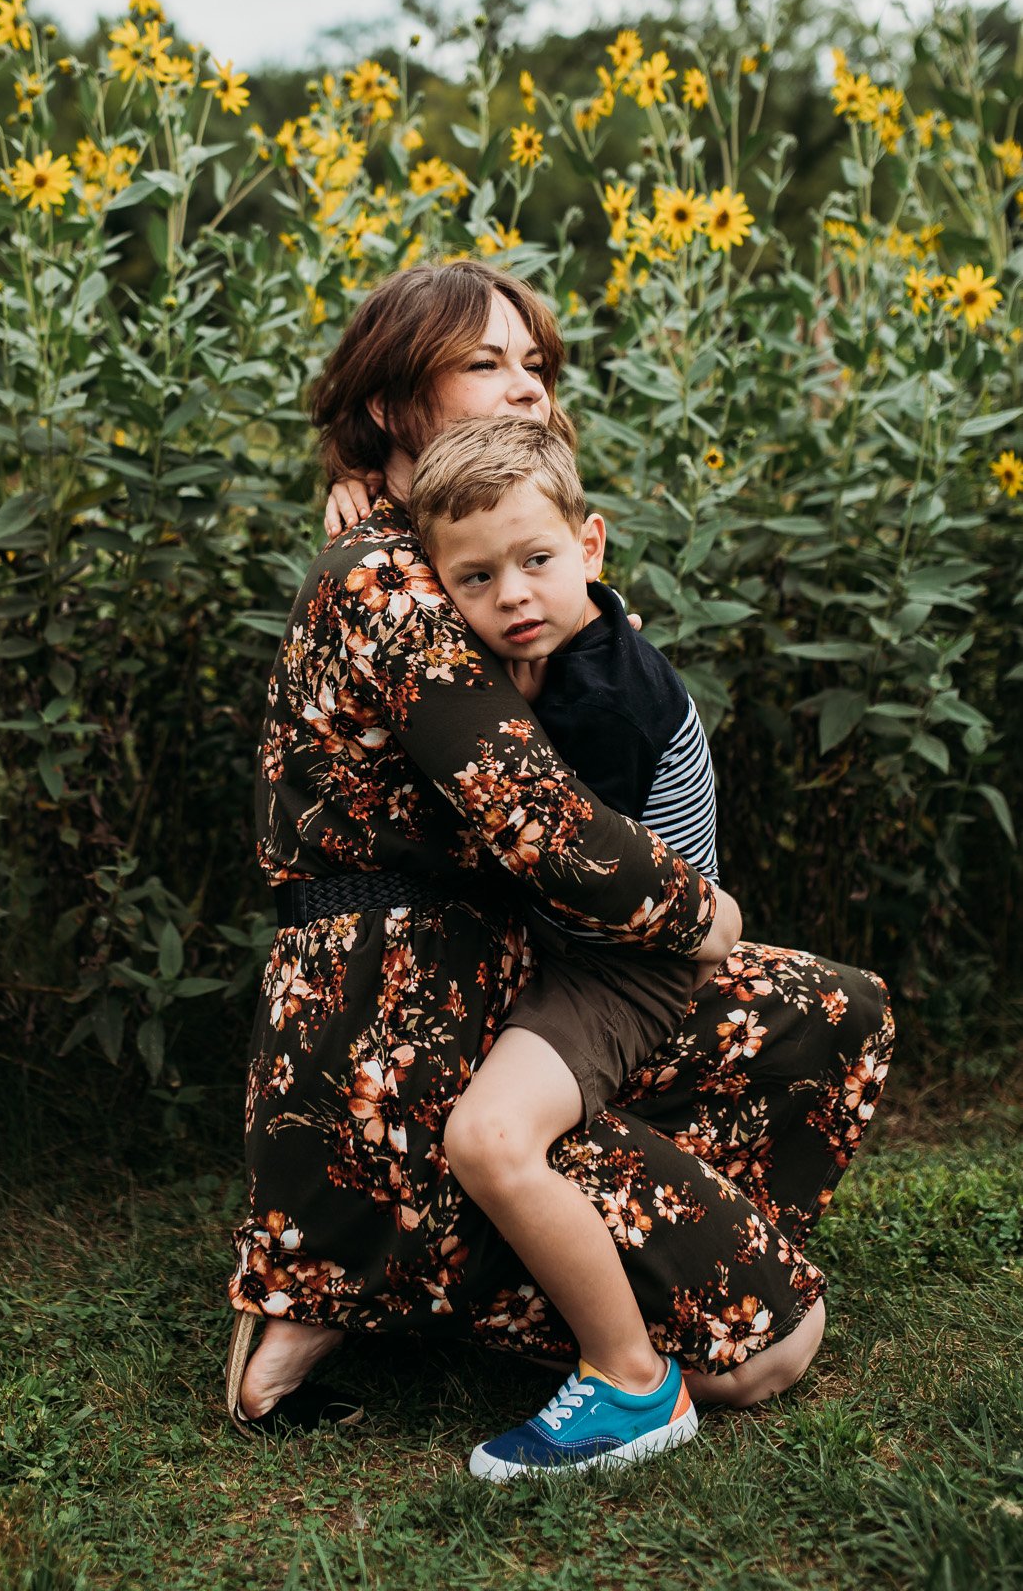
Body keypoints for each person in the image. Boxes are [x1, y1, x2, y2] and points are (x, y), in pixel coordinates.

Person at [226, 259, 894, 1479]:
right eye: (487, 361)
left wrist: (364, 481)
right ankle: (586, 1327)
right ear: (388, 402)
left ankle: (402, 1265)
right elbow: (549, 827)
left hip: (523, 964)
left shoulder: (444, 542)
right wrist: (709, 910)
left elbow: (580, 650)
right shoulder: (386, 576)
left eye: (534, 363)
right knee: (766, 1343)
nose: (526, 387)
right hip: (414, 1009)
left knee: (830, 1005)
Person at [406, 411, 730, 1477]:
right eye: (475, 577)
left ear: (589, 545)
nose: (511, 595)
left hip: (630, 961)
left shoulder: (606, 697)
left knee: (490, 1137)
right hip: (579, 939)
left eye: (537, 560)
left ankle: (632, 1378)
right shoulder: (555, 646)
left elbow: (564, 860)